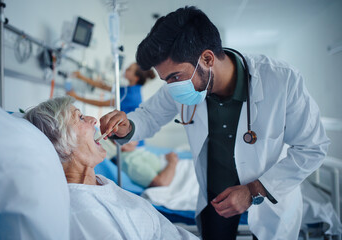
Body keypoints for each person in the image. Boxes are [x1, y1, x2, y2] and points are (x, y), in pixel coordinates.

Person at [99, 6, 330, 240]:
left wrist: (253, 191)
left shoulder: (281, 79)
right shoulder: (181, 86)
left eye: (174, 77)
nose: (170, 86)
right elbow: (149, 115)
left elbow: (312, 148)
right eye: (165, 80)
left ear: (207, 58)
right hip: (215, 200)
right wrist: (128, 126)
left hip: (270, 197)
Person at [24, 96, 198, 240]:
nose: (94, 120)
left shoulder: (101, 184)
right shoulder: (81, 214)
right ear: (62, 144)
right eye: (80, 118)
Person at [103, 139, 179, 187]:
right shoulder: (130, 160)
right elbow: (162, 182)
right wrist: (172, 162)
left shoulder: (134, 152)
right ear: (119, 142)